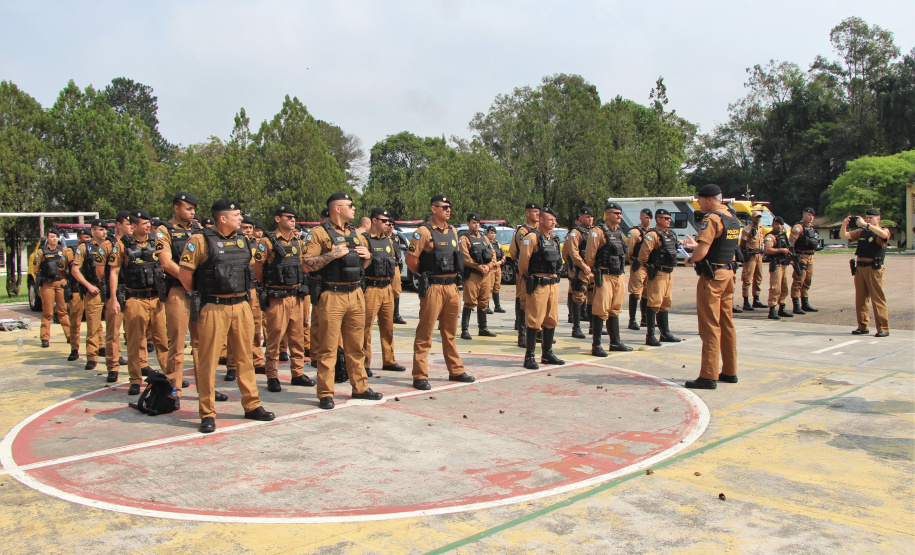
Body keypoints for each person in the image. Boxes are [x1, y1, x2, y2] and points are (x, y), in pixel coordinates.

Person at [178, 199, 275, 433]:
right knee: (208, 361)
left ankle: (252, 405)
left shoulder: (242, 239)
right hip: (214, 306)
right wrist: (200, 294)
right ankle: (207, 412)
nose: (241, 219)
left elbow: (248, 267)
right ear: (223, 218)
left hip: (241, 305)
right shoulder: (199, 241)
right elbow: (184, 274)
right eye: (237, 215)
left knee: (245, 357)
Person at [304, 192, 382, 409]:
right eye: (350, 205)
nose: (354, 208)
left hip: (356, 293)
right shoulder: (318, 233)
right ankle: (326, 393)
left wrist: (367, 258)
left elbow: (358, 266)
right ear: (337, 208)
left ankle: (360, 387)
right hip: (332, 295)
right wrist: (331, 255)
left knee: (356, 346)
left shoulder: (355, 233)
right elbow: (306, 264)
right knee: (328, 348)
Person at [406, 195, 475, 390]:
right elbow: (411, 260)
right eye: (444, 207)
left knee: (450, 333)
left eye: (449, 207)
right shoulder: (423, 232)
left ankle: (456, 370)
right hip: (434, 287)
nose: (448, 209)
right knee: (425, 333)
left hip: (452, 287)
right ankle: (420, 375)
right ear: (433, 209)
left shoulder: (453, 230)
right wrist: (427, 275)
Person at [254, 204, 316, 393]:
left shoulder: (298, 241)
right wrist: (269, 285)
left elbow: (301, 265)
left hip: (296, 296)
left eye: (293, 217)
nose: (292, 220)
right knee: (274, 339)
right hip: (277, 298)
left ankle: (297, 373)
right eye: (288, 217)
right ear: (277, 219)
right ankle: (272, 375)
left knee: (297, 338)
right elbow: (258, 269)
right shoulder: (267, 241)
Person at [684, 184, 740, 389]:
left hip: (713, 277)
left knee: (709, 326)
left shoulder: (712, 219)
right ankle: (730, 370)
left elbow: (702, 252)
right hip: (728, 273)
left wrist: (691, 259)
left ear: (710, 199)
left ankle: (708, 375)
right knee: (727, 324)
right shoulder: (732, 218)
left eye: (700, 199)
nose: (698, 202)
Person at [108, 210, 169, 396]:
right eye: (144, 223)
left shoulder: (156, 242)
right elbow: (114, 272)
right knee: (135, 342)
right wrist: (113, 299)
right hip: (135, 299)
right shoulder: (121, 245)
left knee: (162, 341)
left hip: (156, 298)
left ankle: (170, 376)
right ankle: (135, 379)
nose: (148, 226)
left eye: (149, 223)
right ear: (134, 226)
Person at [155, 192, 201, 399]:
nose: (192, 213)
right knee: (178, 343)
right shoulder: (164, 230)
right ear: (176, 208)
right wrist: (188, 281)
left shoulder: (199, 230)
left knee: (202, 343)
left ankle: (205, 387)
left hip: (199, 293)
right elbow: (165, 262)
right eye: (188, 208)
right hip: (178, 291)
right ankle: (174, 389)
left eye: (193, 209)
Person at [518, 207, 566, 369]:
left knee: (551, 319)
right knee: (534, 319)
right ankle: (529, 356)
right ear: (542, 220)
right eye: (551, 219)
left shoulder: (554, 238)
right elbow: (523, 264)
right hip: (538, 284)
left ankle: (547, 353)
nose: (554, 222)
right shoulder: (531, 238)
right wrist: (529, 279)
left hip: (553, 284)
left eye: (554, 220)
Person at [361, 208, 406, 373]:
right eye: (384, 221)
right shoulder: (364, 239)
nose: (388, 224)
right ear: (374, 221)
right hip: (370, 288)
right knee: (366, 329)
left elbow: (393, 265)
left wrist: (394, 289)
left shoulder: (389, 239)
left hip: (386, 288)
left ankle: (389, 360)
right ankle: (364, 363)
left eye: (388, 221)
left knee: (388, 327)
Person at [585, 202, 631, 356]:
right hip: (604, 275)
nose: (619, 216)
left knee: (615, 308)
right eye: (616, 213)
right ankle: (596, 345)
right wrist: (594, 272)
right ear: (607, 214)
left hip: (619, 275)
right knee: (600, 309)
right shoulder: (598, 232)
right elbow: (590, 256)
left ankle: (615, 341)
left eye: (620, 213)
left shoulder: (619, 232)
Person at [841, 209, 891, 337]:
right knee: (861, 299)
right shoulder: (862, 232)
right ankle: (863, 326)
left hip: (874, 269)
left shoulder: (883, 230)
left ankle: (883, 328)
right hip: (860, 268)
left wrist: (867, 225)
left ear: (878, 219)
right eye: (867, 217)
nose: (868, 220)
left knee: (877, 299)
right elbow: (844, 235)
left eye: (871, 218)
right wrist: (844, 224)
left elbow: (884, 236)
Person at [638, 209, 682, 346]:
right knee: (654, 302)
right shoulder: (653, 235)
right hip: (658, 272)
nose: (669, 220)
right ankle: (650, 335)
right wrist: (646, 266)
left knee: (665, 303)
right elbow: (643, 254)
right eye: (666, 218)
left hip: (669, 272)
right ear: (658, 219)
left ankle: (665, 333)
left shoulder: (670, 234)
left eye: (670, 218)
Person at [66, 223, 106, 369]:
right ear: (93, 231)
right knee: (93, 325)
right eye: (100, 229)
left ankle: (112, 355)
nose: (103, 232)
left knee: (113, 328)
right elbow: (75, 270)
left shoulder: (110, 245)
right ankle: (91, 356)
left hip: (109, 289)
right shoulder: (84, 248)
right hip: (93, 289)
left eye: (105, 229)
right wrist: (88, 285)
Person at [99, 211, 132, 381]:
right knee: (113, 331)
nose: (131, 227)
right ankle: (113, 365)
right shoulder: (108, 245)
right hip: (116, 290)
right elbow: (100, 270)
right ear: (118, 225)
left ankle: (140, 364)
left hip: (132, 290)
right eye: (128, 224)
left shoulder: (134, 243)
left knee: (135, 332)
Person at [459, 212, 496, 339]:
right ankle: (464, 330)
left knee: (484, 301)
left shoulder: (485, 238)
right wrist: (478, 266)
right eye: (474, 222)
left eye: (478, 223)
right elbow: (465, 257)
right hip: (472, 275)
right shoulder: (464, 238)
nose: (476, 225)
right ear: (468, 223)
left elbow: (493, 254)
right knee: (469, 302)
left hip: (486, 275)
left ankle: (483, 328)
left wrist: (489, 266)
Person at [33, 228, 71, 348]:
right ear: (47, 238)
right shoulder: (41, 252)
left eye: (56, 237)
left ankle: (70, 335)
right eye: (52, 237)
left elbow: (68, 266)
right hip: (47, 284)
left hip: (60, 282)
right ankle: (45, 338)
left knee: (63, 311)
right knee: (47, 312)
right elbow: (36, 269)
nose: (54, 239)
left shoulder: (63, 251)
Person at [510, 202, 541, 347]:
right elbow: (516, 252)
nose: (537, 214)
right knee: (524, 302)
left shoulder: (541, 230)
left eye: (538, 212)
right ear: (527, 213)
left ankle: (539, 332)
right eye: (534, 211)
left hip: (539, 272)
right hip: (526, 272)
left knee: (539, 303)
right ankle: (522, 336)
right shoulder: (522, 231)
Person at [563, 207, 594, 339]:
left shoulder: (594, 231)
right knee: (578, 297)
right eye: (587, 217)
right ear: (581, 218)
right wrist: (581, 265)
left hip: (593, 269)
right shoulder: (575, 233)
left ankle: (594, 327)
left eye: (591, 217)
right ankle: (576, 327)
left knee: (593, 298)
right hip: (581, 270)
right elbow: (571, 252)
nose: (590, 219)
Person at [789, 207, 820, 315]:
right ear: (804, 215)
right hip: (801, 256)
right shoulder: (798, 228)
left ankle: (805, 303)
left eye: (812, 215)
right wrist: (792, 258)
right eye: (808, 215)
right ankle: (796, 305)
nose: (811, 217)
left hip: (810, 256)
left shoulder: (811, 228)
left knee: (807, 280)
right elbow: (791, 244)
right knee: (799, 280)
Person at [626, 208, 653, 330]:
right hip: (638, 265)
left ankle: (645, 319)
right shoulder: (635, 233)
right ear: (641, 218)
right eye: (646, 217)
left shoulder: (652, 233)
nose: (648, 220)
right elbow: (628, 250)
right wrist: (633, 261)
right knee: (636, 293)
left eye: (650, 218)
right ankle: (632, 320)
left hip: (649, 266)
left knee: (647, 293)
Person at [763, 216, 794, 320]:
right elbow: (767, 250)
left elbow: (789, 248)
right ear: (773, 225)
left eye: (781, 224)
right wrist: (781, 250)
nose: (779, 226)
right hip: (776, 264)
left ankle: (782, 308)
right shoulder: (770, 237)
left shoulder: (784, 236)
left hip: (785, 264)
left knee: (785, 287)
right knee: (775, 287)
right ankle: (772, 310)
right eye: (777, 224)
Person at [740, 210, 768, 311]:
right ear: (752, 218)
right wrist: (745, 253)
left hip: (759, 255)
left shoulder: (760, 228)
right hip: (751, 255)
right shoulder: (748, 229)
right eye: (756, 217)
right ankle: (746, 301)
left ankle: (756, 299)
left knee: (758, 277)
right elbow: (742, 243)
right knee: (747, 278)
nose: (758, 219)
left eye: (759, 217)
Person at [388, 218, 408, 324]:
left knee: (396, 291)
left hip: (395, 266)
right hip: (385, 267)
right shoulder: (381, 237)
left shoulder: (396, 238)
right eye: (389, 224)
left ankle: (395, 315)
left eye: (393, 224)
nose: (391, 226)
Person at [486, 226, 506, 313]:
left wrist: (501, 261)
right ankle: (486, 306)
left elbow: (503, 254)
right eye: (491, 233)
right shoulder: (486, 243)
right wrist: (494, 263)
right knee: (489, 287)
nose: (493, 235)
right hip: (491, 268)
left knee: (497, 286)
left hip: (498, 267)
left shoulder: (497, 243)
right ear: (487, 233)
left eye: (494, 233)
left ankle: (497, 306)